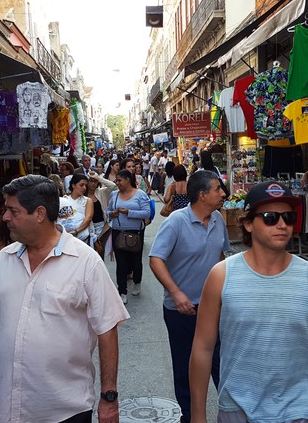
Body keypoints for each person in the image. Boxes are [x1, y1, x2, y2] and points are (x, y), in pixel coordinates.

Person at [0, 175, 129, 423]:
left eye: (13, 211)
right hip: (3, 407)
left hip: (64, 410)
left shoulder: (86, 262)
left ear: (40, 213)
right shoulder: (3, 260)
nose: (5, 217)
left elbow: (107, 330)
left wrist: (109, 398)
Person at [190, 181, 308, 423]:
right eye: (270, 217)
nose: (283, 225)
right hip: (238, 408)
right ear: (248, 224)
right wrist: (197, 417)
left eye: (288, 217)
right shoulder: (221, 277)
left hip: (303, 410)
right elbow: (202, 349)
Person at [150, 170, 230, 423]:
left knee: (222, 362)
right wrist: (176, 293)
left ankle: (231, 411)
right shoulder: (176, 221)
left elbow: (221, 258)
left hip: (213, 308)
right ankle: (191, 416)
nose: (223, 194)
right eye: (218, 189)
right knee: (185, 366)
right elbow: (156, 259)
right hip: (181, 310)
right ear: (202, 195)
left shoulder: (218, 219)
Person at [106, 170, 151, 304]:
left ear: (127, 180)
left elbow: (146, 212)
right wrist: (111, 214)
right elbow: (107, 211)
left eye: (119, 180)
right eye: (117, 181)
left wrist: (129, 212)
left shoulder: (140, 195)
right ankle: (122, 291)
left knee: (135, 261)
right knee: (121, 262)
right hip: (118, 232)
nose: (117, 183)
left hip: (134, 233)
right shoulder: (114, 195)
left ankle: (137, 281)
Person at [85, 170, 117, 259]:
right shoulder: (82, 194)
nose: (93, 183)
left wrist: (99, 178)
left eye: (95, 181)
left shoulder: (101, 192)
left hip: (102, 226)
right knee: (89, 253)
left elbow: (114, 186)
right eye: (90, 181)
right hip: (88, 226)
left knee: (100, 251)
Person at [58, 173, 93, 243]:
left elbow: (88, 218)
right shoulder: (63, 200)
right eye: (81, 185)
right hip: (65, 238)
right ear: (73, 185)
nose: (84, 188)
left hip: (82, 239)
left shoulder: (87, 201)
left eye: (86, 185)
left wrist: (76, 231)